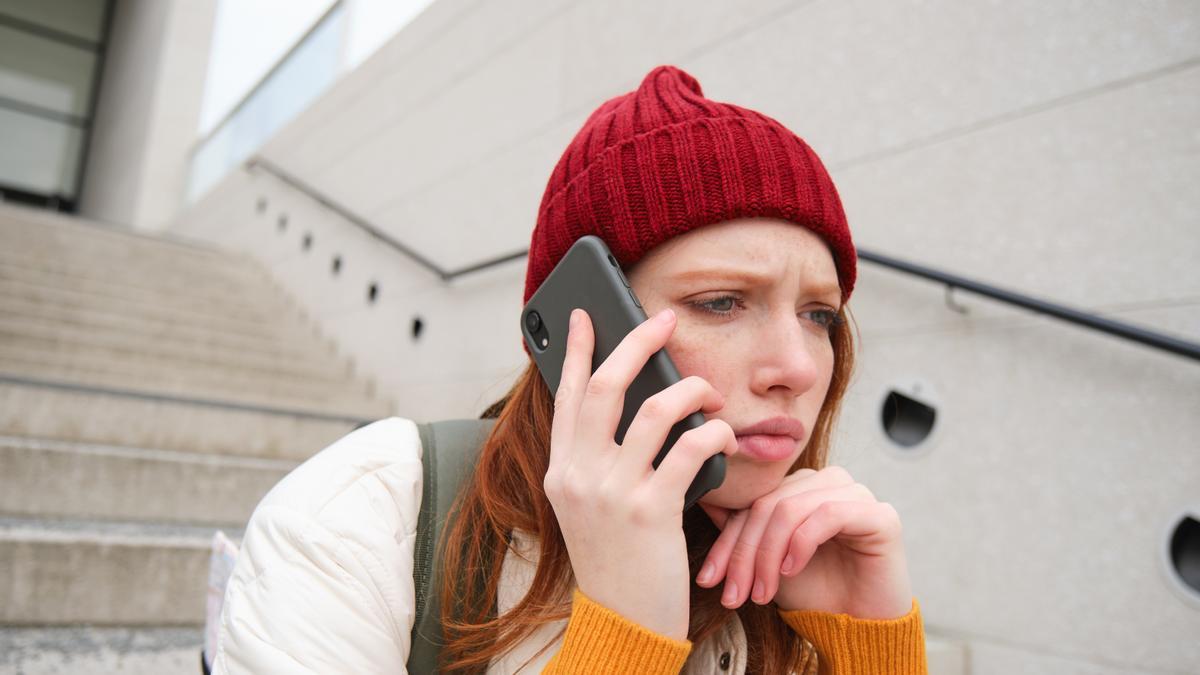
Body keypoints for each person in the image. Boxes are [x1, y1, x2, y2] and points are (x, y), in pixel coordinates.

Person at [212, 65, 926, 674]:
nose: (798, 367)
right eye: (721, 301)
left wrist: (864, 644)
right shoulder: (360, 519)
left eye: (820, 316)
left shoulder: (806, 569)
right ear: (585, 318)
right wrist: (623, 632)